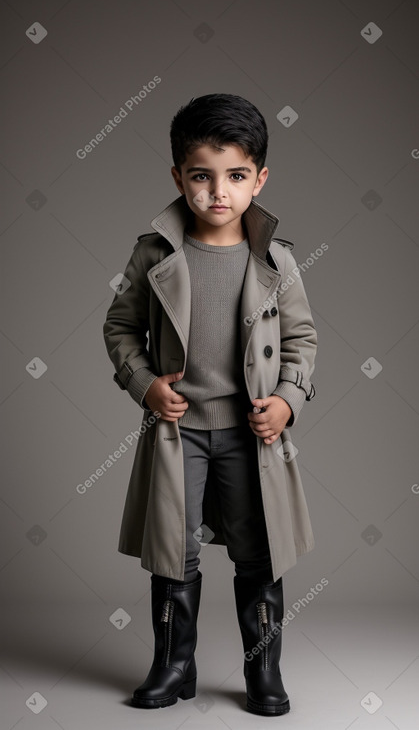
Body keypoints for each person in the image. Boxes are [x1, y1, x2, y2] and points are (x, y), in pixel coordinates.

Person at [103, 93, 317, 716]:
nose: (217, 192)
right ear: (178, 176)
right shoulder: (154, 253)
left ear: (259, 178)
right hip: (179, 431)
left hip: (254, 433)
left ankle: (264, 671)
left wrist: (287, 400)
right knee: (174, 548)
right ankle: (174, 665)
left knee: (261, 550)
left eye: (235, 175)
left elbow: (302, 340)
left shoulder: (277, 260)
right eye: (201, 175)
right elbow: (119, 328)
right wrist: (144, 383)